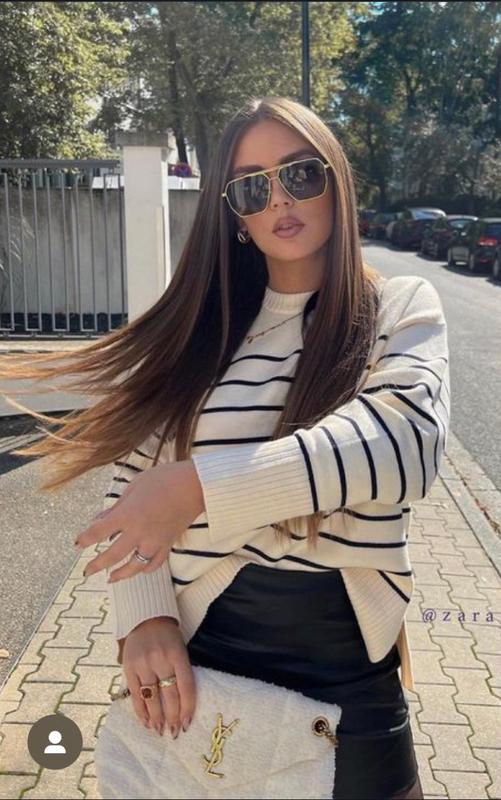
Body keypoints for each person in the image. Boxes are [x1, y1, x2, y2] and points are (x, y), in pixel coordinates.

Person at [0, 96, 449, 798]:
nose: (279, 199)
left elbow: (405, 442)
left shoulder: (397, 306)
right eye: (251, 187)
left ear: (336, 181)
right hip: (201, 660)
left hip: (346, 673)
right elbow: (131, 487)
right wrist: (144, 616)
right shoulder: (202, 335)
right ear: (236, 215)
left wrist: (200, 487)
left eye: (299, 174)